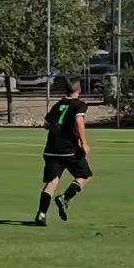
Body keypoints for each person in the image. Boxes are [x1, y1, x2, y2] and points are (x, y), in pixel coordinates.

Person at [35, 78, 93, 227]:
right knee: (84, 175)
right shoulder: (79, 105)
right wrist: (84, 143)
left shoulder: (58, 105)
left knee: (52, 182)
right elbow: (79, 121)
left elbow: (46, 125)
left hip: (51, 149)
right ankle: (65, 198)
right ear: (79, 90)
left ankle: (41, 214)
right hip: (69, 150)